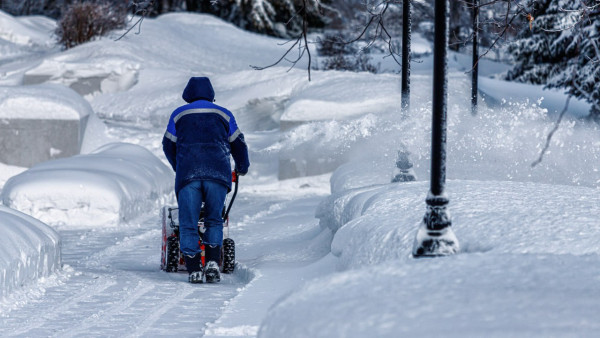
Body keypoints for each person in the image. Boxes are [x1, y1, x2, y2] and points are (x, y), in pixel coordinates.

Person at [162, 77, 249, 283]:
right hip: (217, 174)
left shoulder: (178, 114)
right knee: (214, 219)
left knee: (188, 223)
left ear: (188, 94)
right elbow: (238, 143)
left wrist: (179, 166)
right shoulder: (224, 114)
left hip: (188, 175)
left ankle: (193, 269)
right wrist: (242, 167)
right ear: (211, 94)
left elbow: (167, 145)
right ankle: (211, 262)